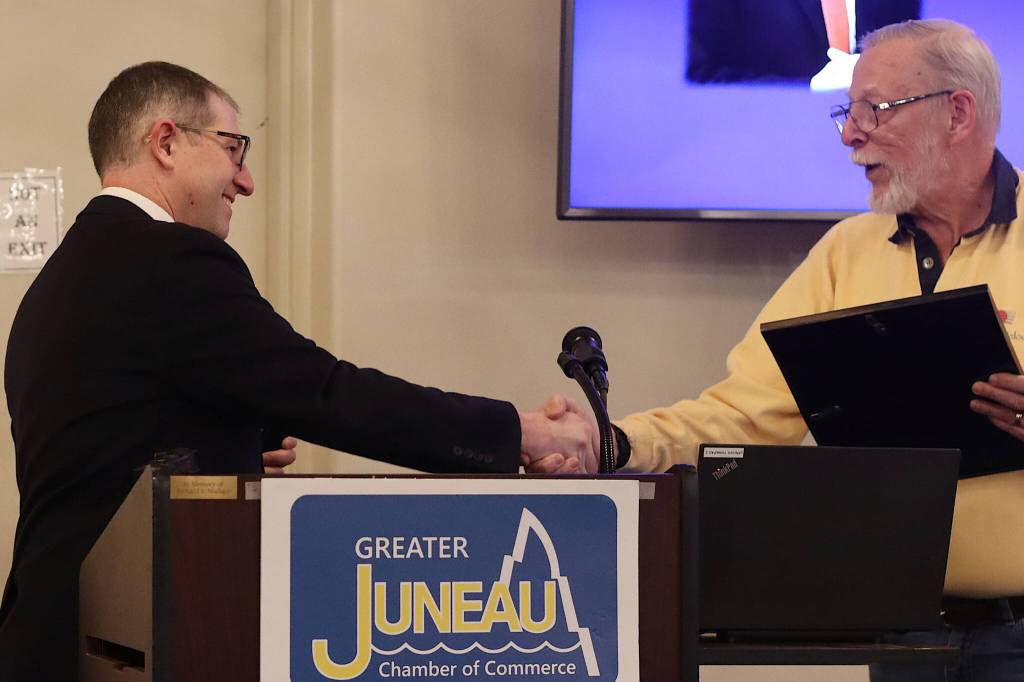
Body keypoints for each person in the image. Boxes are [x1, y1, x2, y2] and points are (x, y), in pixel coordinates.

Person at [0, 61, 591, 680]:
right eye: (233, 148)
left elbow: (105, 439)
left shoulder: (66, 275)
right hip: (127, 642)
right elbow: (328, 392)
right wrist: (518, 433)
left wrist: (230, 449)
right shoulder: (167, 259)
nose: (246, 181)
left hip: (58, 632)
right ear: (167, 142)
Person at [537, 19, 1024, 681]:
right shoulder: (845, 253)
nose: (851, 135)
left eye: (873, 111)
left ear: (958, 113)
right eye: (845, 114)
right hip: (901, 636)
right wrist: (607, 441)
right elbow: (740, 415)